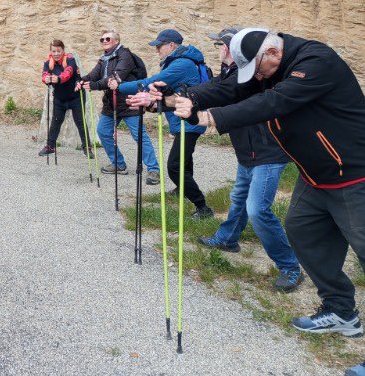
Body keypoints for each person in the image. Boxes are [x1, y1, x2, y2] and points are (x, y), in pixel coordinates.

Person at [157, 28, 364, 375]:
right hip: (316, 176)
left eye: (260, 70)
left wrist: (211, 118)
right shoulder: (270, 66)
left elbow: (272, 102)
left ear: (271, 53)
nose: (258, 78)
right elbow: (230, 88)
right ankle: (342, 311)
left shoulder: (316, 62)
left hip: (356, 174)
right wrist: (187, 97)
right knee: (301, 233)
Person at [195, 28, 304, 292]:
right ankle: (228, 238)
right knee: (239, 198)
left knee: (258, 210)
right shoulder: (231, 73)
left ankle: (290, 266)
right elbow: (213, 89)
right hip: (249, 152)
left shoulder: (252, 78)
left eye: (222, 45)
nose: (219, 49)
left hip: (267, 153)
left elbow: (230, 97)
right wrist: (181, 96)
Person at [111, 28, 214, 219]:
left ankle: (203, 208)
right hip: (185, 119)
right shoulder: (180, 61)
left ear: (172, 45)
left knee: (174, 166)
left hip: (189, 122)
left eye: (159, 46)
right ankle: (181, 189)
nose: (157, 50)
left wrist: (121, 86)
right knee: (185, 160)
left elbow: (153, 82)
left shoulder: (181, 65)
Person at [78, 29, 158, 178]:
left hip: (129, 102)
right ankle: (118, 164)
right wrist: (81, 80)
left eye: (107, 39)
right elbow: (93, 75)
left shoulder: (125, 55)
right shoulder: (104, 59)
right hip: (111, 103)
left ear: (116, 41)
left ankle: (153, 169)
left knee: (139, 136)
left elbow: (115, 77)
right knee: (102, 131)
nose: (104, 41)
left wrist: (95, 86)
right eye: (102, 39)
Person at [38, 39, 90, 157]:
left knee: (80, 122)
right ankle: (50, 146)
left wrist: (58, 79)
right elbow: (44, 75)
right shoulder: (48, 62)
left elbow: (68, 72)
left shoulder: (70, 59)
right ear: (51, 52)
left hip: (76, 96)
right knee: (55, 122)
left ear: (63, 50)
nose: (56, 54)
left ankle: (87, 148)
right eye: (53, 51)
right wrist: (46, 79)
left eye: (58, 51)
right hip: (60, 98)